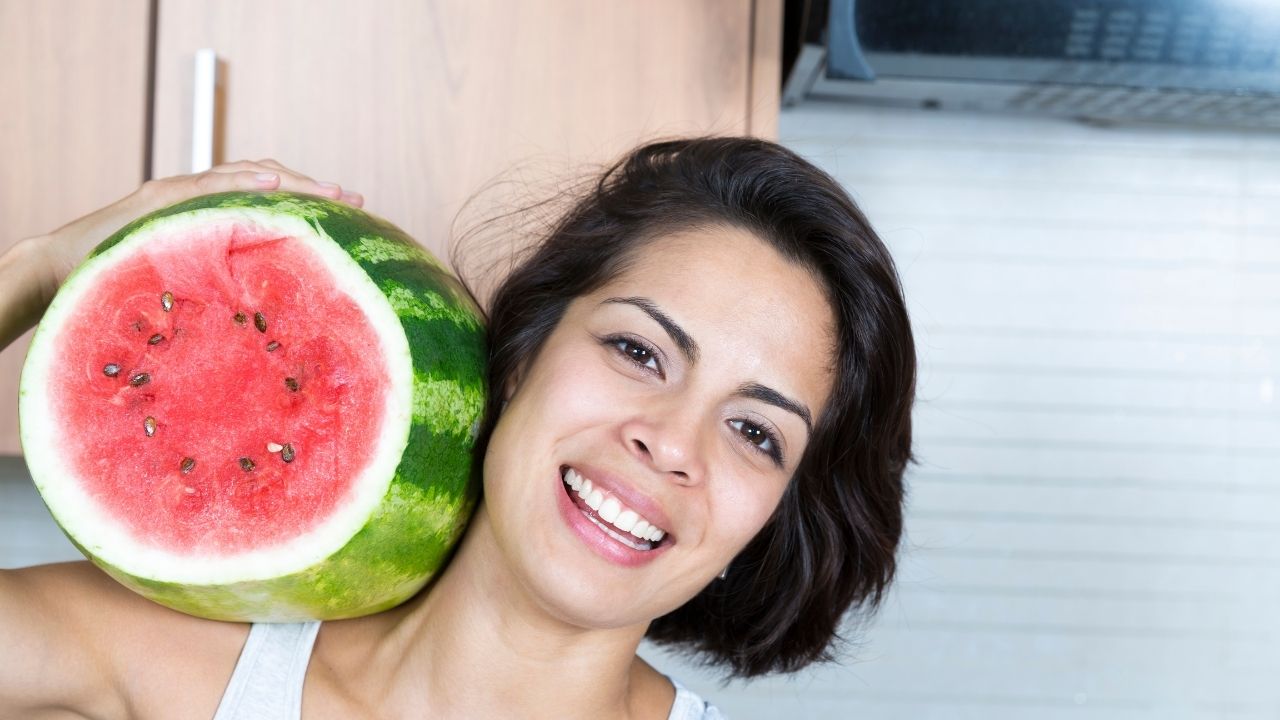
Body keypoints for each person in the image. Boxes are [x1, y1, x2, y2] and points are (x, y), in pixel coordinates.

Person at [0, 137, 916, 719]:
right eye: (638, 352)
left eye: (757, 434)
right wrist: (37, 270)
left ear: (774, 518)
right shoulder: (161, 662)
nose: (672, 443)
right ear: (520, 355)